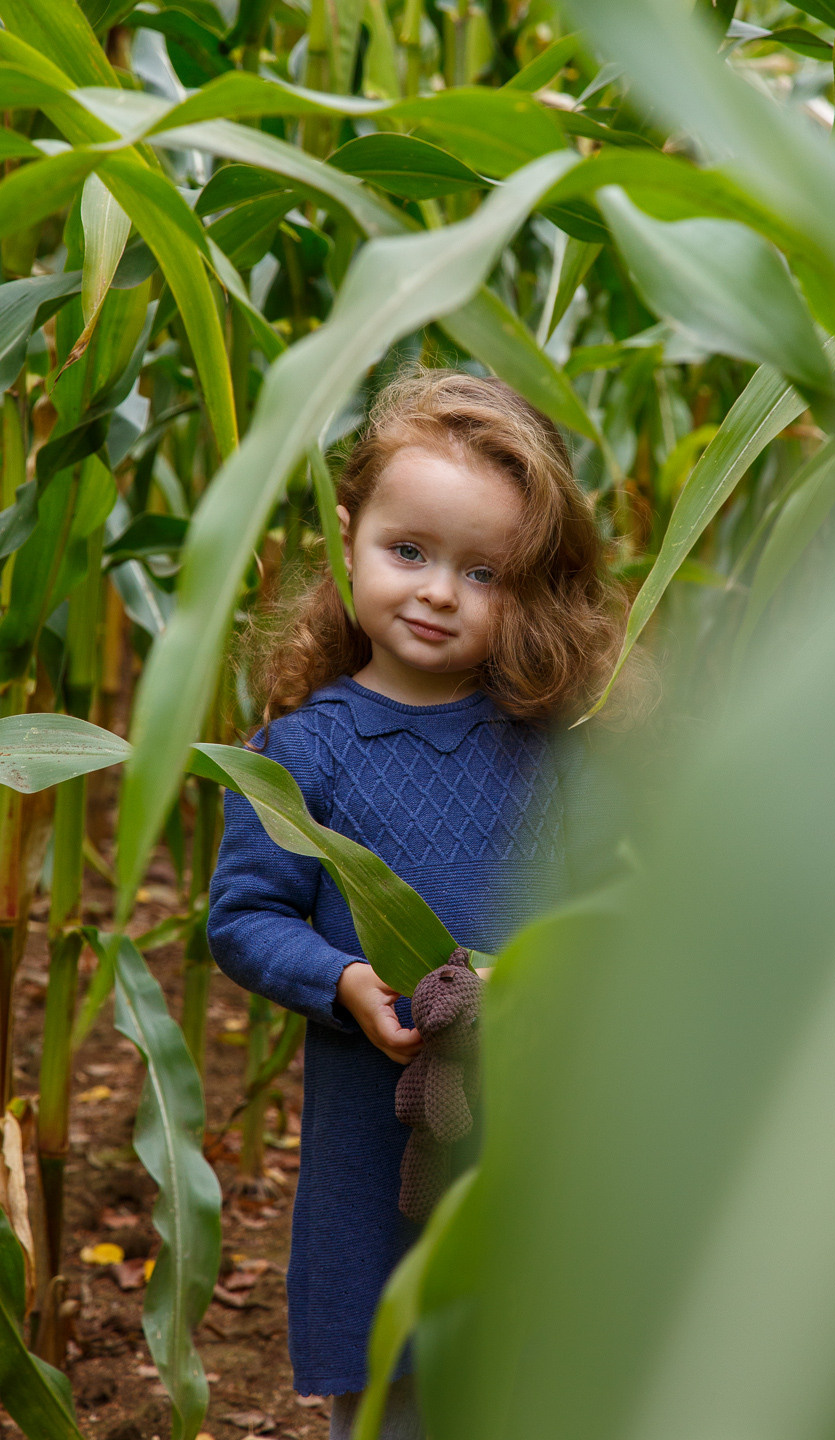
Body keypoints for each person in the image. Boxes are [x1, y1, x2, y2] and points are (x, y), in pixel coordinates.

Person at [207, 370, 624, 1438]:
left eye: (482, 571)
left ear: (530, 588)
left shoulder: (552, 754)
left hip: (537, 1138)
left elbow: (613, 913)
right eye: (410, 553)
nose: (439, 591)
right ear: (348, 536)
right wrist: (345, 981)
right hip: (372, 1140)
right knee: (391, 1383)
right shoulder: (304, 751)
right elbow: (245, 919)